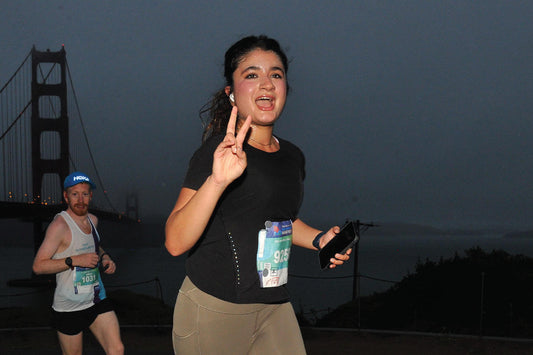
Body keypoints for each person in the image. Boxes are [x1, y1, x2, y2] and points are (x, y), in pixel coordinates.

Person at [165, 35, 351, 354]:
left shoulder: (293, 156)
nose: (266, 84)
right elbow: (175, 241)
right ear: (231, 94)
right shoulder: (216, 154)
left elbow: (280, 221)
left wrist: (320, 239)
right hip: (213, 310)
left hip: (274, 305)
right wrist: (218, 181)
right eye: (251, 75)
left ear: (286, 89)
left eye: (275, 74)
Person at [33, 172, 124, 355]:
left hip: (97, 298)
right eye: (75, 194)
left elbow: (95, 246)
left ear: (91, 196)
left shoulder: (93, 220)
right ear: (66, 196)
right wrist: (73, 260)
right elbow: (38, 266)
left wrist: (105, 257)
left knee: (117, 349)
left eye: (85, 194)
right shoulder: (59, 226)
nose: (80, 199)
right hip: (69, 307)